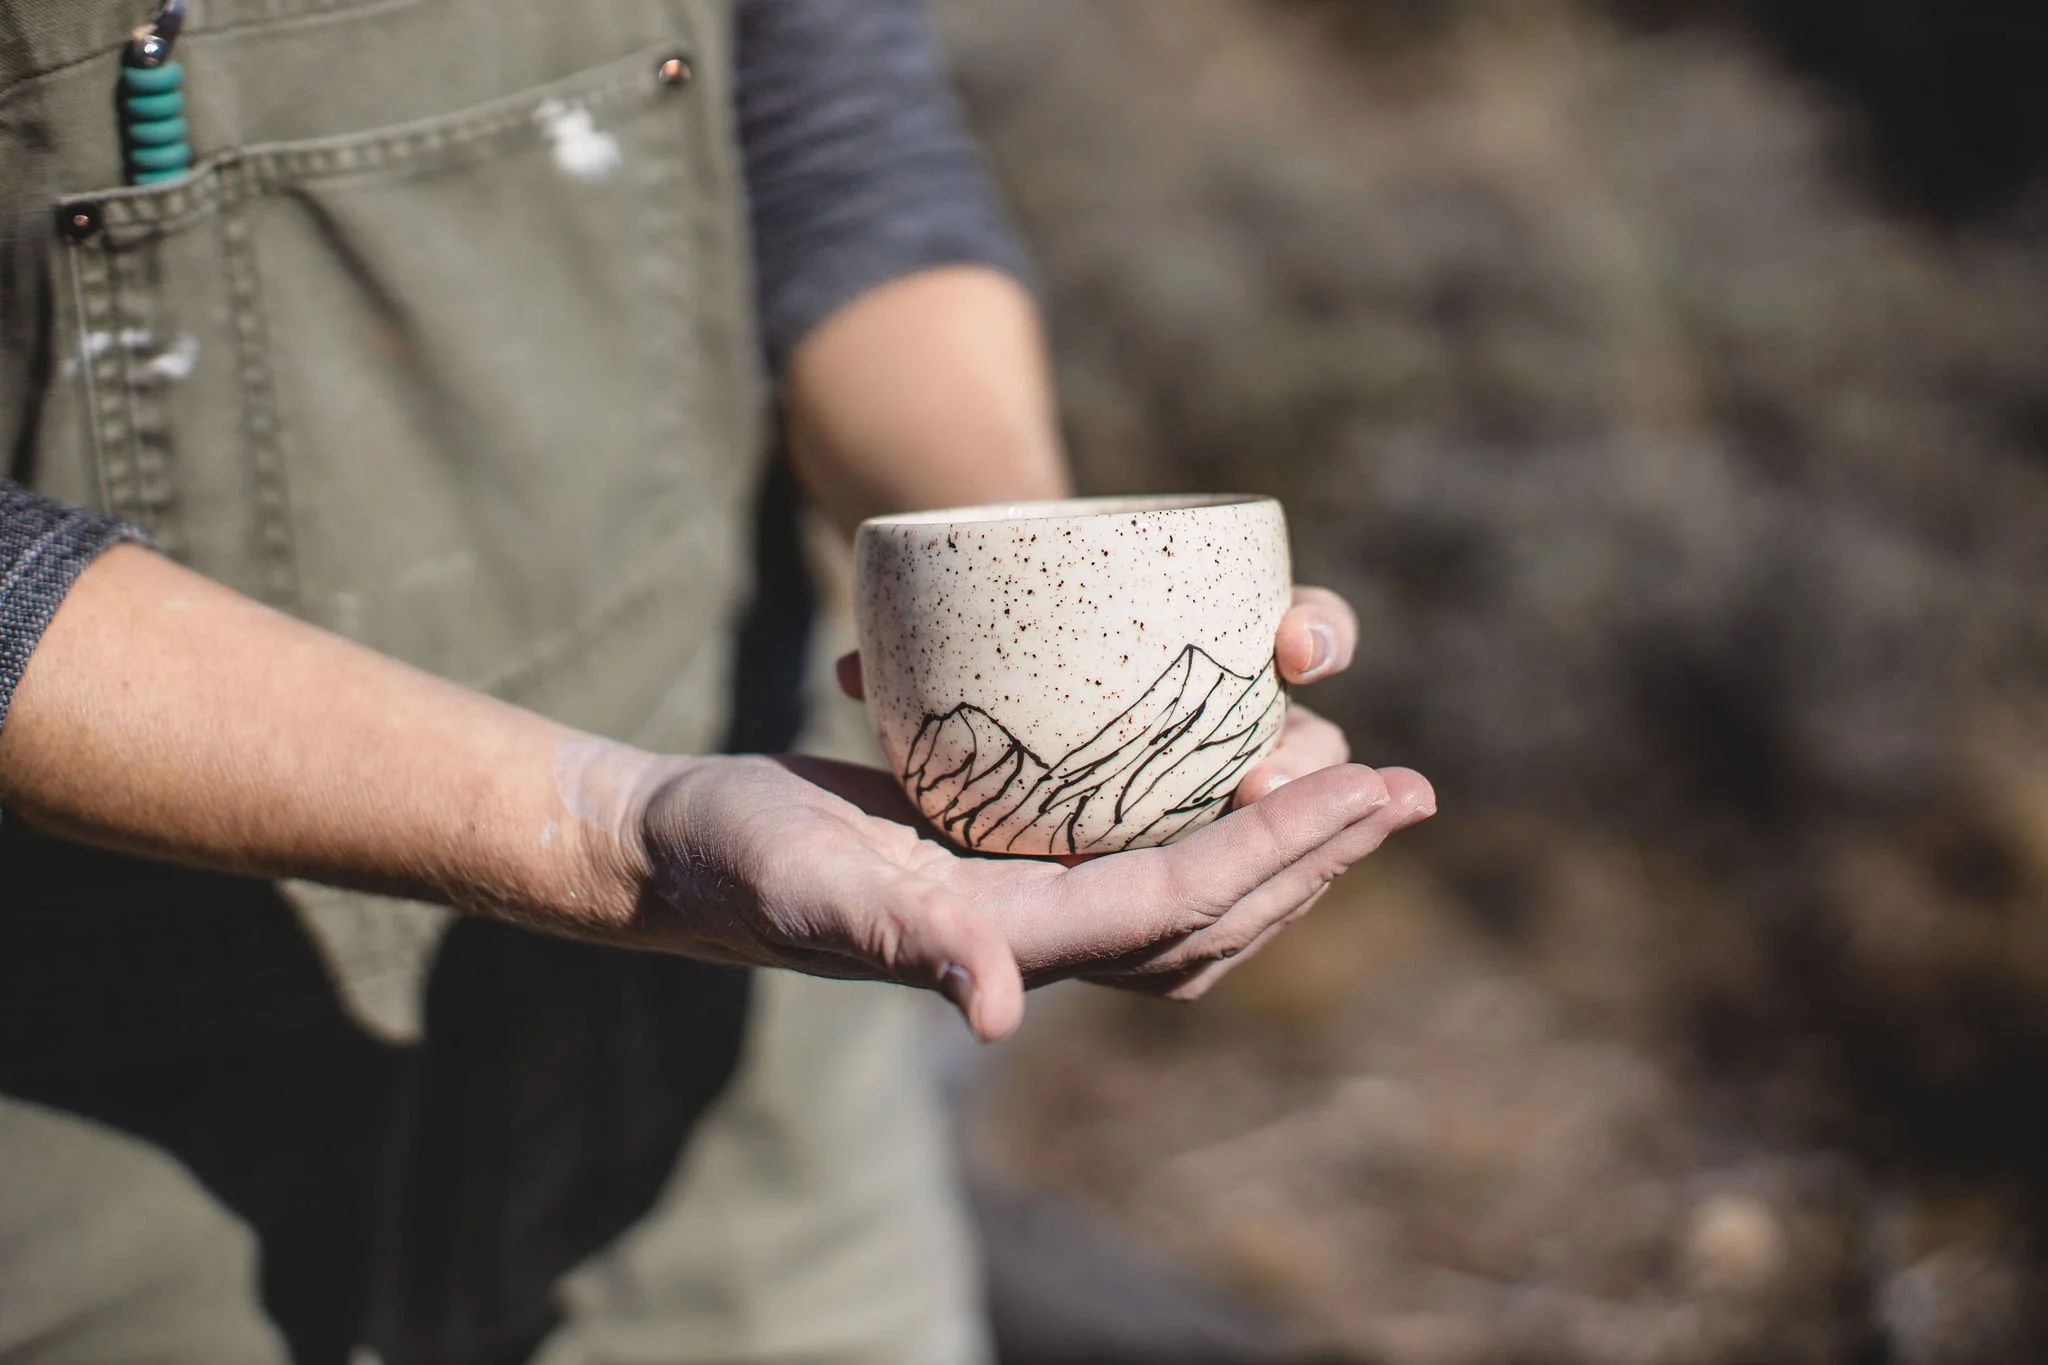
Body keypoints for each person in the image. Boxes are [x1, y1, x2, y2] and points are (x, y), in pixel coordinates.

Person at [0, 0, 1436, 1361]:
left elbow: (839, 153)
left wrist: (1033, 591)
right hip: (101, 1114)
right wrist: (604, 829)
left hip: (732, 1066)